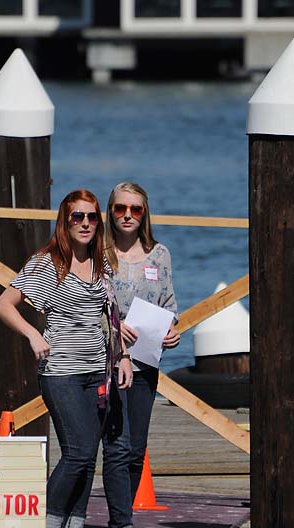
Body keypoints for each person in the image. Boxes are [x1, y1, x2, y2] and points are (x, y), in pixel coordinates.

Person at [0, 189, 133, 528]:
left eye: (91, 217)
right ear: (65, 221)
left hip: (96, 372)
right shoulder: (47, 263)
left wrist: (122, 357)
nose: (85, 223)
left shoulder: (101, 265)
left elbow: (111, 318)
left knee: (88, 456)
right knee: (79, 450)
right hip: (61, 372)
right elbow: (3, 303)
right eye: (77, 217)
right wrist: (32, 334)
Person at [105, 182, 180, 508]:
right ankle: (116, 520)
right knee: (113, 447)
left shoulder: (159, 254)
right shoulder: (98, 253)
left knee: (136, 448)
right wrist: (116, 331)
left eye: (135, 209)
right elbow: (88, 305)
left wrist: (172, 332)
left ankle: (126, 515)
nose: (127, 216)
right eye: (120, 208)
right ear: (110, 211)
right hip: (105, 363)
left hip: (145, 364)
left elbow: (168, 304)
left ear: (144, 213)